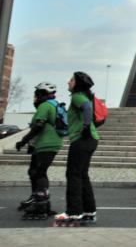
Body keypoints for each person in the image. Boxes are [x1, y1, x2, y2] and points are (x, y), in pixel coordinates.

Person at [53, 72, 100, 226]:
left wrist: (85, 127)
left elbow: (87, 108)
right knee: (82, 175)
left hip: (82, 139)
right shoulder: (84, 96)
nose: (68, 82)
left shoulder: (77, 96)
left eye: (71, 80)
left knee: (73, 174)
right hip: (91, 140)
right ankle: (89, 210)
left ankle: (74, 212)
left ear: (78, 83)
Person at [15, 82, 64, 219]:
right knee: (36, 172)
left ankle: (41, 206)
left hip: (46, 143)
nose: (35, 96)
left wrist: (23, 141)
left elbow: (38, 126)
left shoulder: (45, 106)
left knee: (39, 173)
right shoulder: (54, 105)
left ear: (42, 94)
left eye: (36, 94)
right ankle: (40, 202)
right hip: (47, 143)